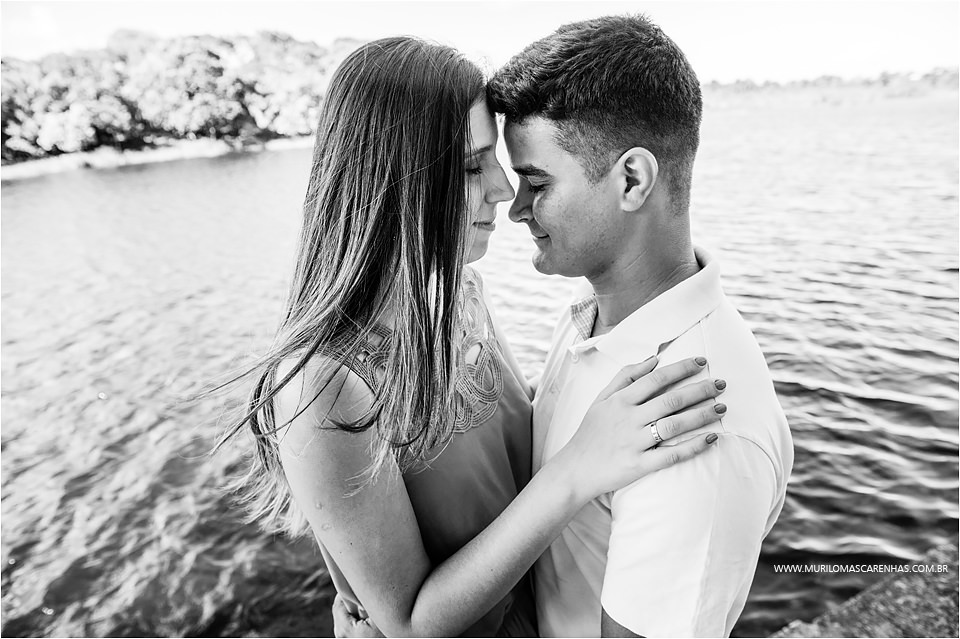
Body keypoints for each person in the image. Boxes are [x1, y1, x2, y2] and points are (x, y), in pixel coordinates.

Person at [216, 36, 729, 638]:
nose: (504, 189)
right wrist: (578, 469)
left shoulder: (459, 297)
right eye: (470, 165)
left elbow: (514, 442)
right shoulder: (323, 385)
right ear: (393, 182)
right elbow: (410, 625)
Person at [482, 14, 796, 637]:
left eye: (536, 182)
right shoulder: (597, 317)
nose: (515, 209)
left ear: (632, 180)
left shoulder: (696, 424)